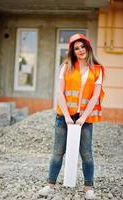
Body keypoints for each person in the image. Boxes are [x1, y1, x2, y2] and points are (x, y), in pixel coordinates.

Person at [38, 34, 104, 199]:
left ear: (88, 48)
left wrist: (83, 118)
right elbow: (60, 92)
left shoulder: (97, 69)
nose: (80, 50)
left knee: (86, 154)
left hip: (85, 118)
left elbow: (95, 96)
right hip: (64, 117)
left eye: (83, 46)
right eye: (76, 48)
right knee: (58, 152)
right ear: (72, 51)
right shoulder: (66, 66)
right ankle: (50, 185)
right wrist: (67, 116)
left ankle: (89, 188)